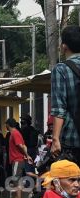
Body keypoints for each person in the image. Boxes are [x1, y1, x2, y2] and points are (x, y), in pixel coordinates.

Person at [51, 26, 80, 163]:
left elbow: (59, 109)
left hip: (72, 140)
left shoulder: (61, 69)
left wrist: (55, 139)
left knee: (71, 182)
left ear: (64, 46)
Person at [7, 118, 33, 198]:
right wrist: (27, 155)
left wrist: (27, 155)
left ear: (8, 125)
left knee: (15, 179)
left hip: (17, 159)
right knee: (17, 179)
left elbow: (21, 146)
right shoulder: (16, 133)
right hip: (17, 159)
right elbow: (24, 146)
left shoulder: (14, 133)